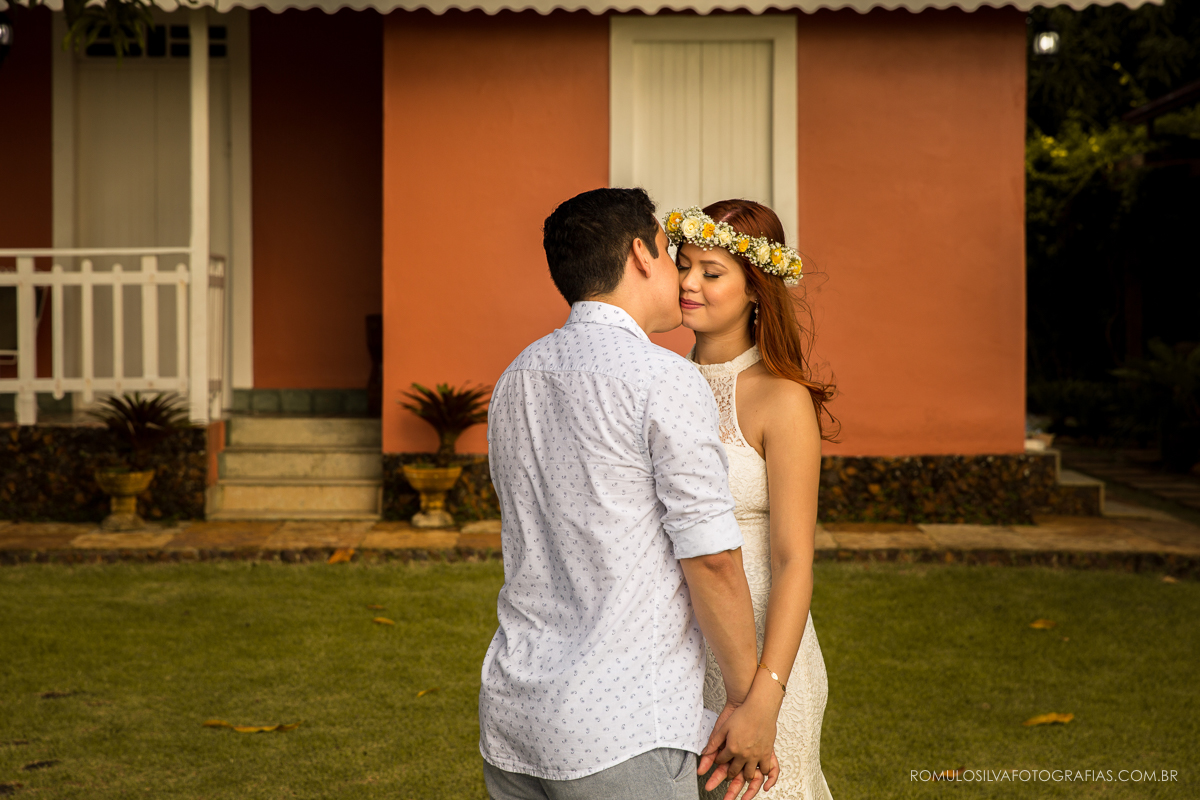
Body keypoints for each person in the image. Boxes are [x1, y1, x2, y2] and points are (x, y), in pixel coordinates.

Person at [479, 188, 784, 800]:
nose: (681, 273)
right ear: (642, 254)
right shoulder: (662, 377)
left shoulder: (516, 377)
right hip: (620, 729)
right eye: (673, 253)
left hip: (513, 718)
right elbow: (712, 559)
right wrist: (750, 704)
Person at [667, 200, 837, 800]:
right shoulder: (656, 381)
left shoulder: (780, 398)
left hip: (768, 649)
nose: (688, 283)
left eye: (710, 272)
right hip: (672, 653)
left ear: (756, 289)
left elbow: (795, 560)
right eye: (683, 265)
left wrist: (766, 695)